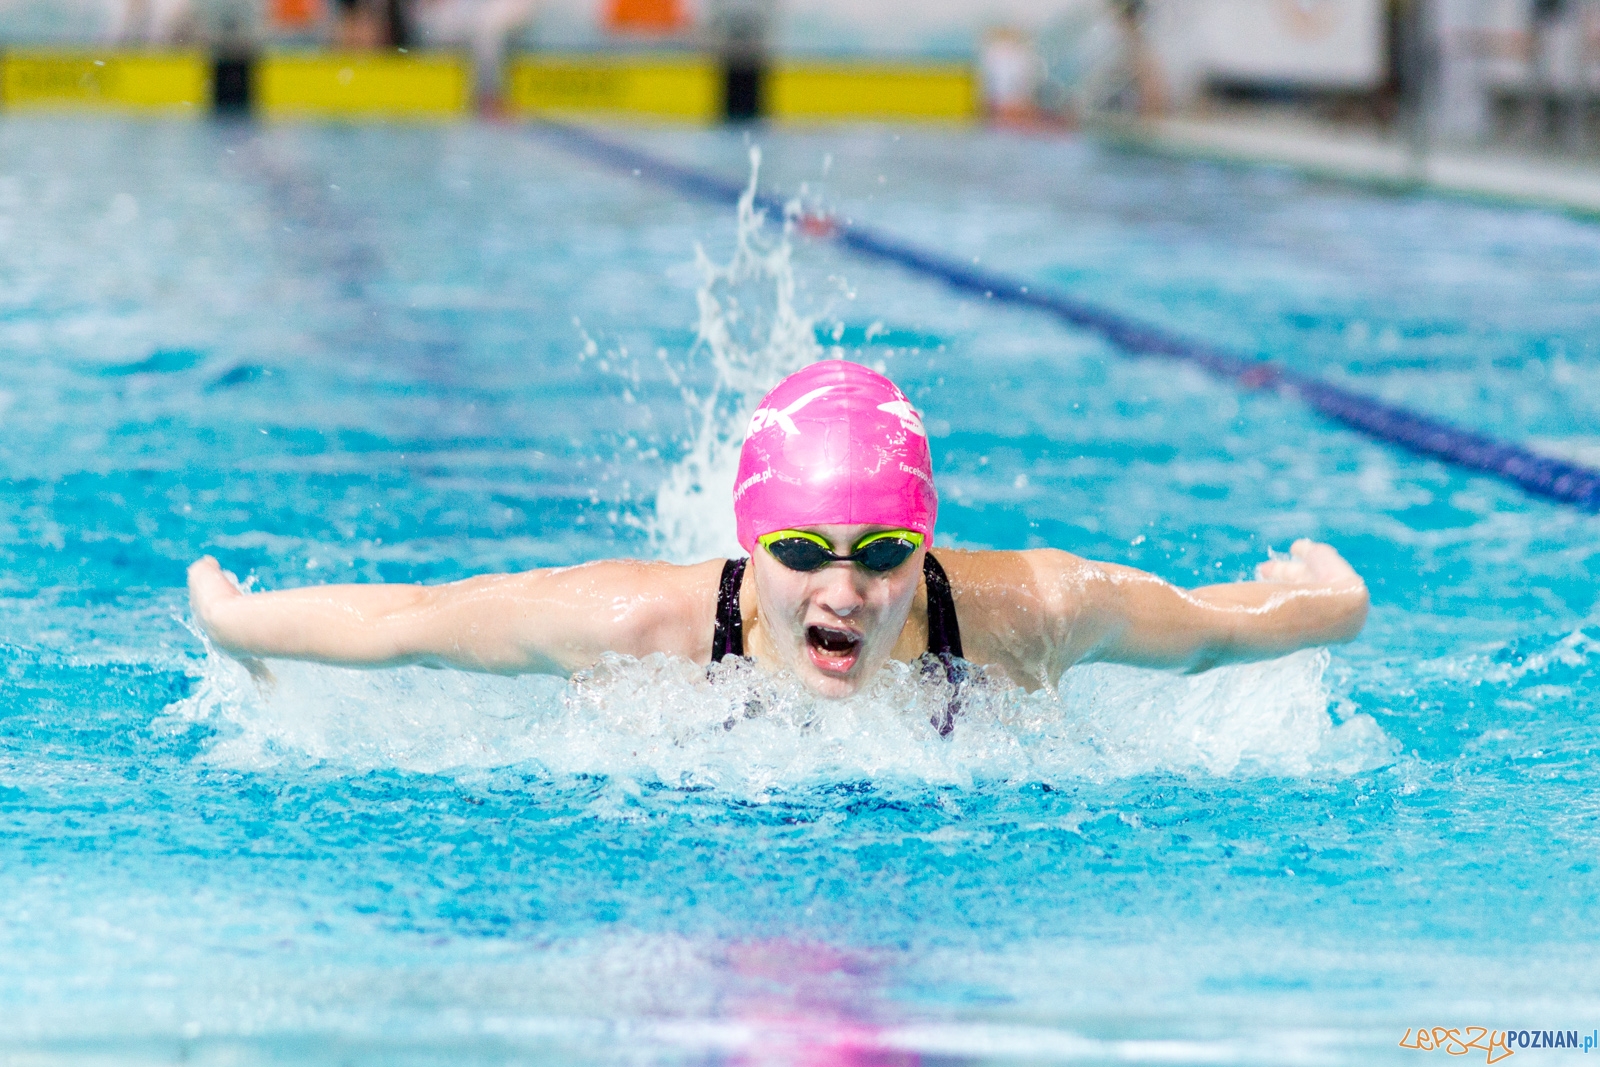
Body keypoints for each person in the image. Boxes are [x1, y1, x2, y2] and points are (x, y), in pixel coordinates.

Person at [188, 361, 1368, 720]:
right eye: (802, 551)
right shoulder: (640, 621)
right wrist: (233, 618)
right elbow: (415, 621)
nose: (844, 588)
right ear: (750, 544)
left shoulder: (1029, 609)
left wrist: (1328, 597)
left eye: (882, 552)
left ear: (925, 544)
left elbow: (1214, 632)